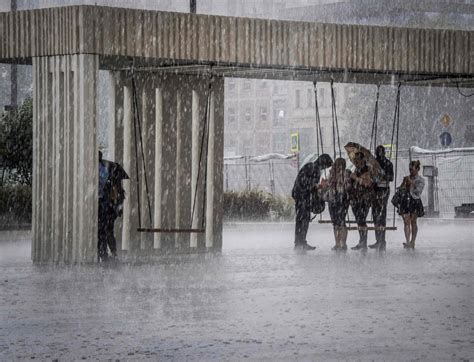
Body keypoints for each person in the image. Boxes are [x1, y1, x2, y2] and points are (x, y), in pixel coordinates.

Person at [292, 153, 333, 250]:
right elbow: (308, 183)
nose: (325, 168)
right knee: (303, 219)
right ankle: (300, 242)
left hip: (300, 195)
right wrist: (318, 186)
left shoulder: (311, 166)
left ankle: (300, 241)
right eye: (326, 165)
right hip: (303, 196)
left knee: (302, 219)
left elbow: (304, 181)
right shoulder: (314, 168)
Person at [369, 145, 394, 250]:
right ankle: (377, 239)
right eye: (378, 152)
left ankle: (382, 240)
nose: (379, 154)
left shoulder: (388, 163)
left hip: (384, 189)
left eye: (381, 152)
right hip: (375, 190)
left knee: (381, 214)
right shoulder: (373, 163)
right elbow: (370, 176)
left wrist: (383, 175)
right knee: (375, 215)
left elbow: (391, 177)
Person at [349, 151, 374, 250]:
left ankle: (363, 241)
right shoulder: (356, 169)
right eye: (355, 159)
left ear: (363, 159)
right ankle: (361, 241)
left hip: (364, 198)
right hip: (356, 197)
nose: (356, 161)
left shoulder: (367, 169)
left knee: (361, 219)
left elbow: (367, 183)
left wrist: (355, 178)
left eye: (358, 159)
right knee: (359, 220)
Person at [325, 157, 351, 251]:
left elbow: (348, 186)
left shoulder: (346, 173)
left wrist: (340, 181)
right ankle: (337, 243)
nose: (335, 166)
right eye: (335, 164)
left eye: (337, 164)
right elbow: (327, 184)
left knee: (341, 222)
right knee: (335, 222)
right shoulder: (331, 174)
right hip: (332, 199)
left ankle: (343, 243)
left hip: (342, 199)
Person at [399, 160, 425, 249]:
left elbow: (418, 192)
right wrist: (404, 184)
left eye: (412, 169)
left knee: (413, 221)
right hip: (406, 200)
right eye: (410, 169)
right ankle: (407, 241)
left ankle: (413, 241)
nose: (411, 171)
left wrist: (412, 183)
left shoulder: (421, 180)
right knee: (406, 221)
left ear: (417, 169)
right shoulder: (407, 178)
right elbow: (400, 190)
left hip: (415, 201)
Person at [98, 151, 110, 261]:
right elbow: (104, 181)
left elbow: (101, 182)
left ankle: (100, 250)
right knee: (103, 229)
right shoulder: (104, 169)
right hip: (102, 202)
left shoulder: (98, 169)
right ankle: (103, 251)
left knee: (100, 229)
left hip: (99, 202)